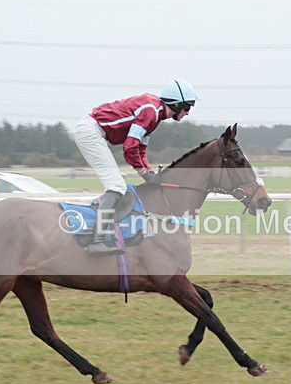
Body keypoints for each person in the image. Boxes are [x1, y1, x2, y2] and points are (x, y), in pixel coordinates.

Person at [71, 79, 199, 254]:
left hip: (94, 131)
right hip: (90, 132)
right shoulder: (151, 111)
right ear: (176, 104)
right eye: (187, 107)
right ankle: (97, 240)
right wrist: (144, 173)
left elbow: (140, 149)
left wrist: (150, 172)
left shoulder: (156, 115)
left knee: (117, 187)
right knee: (116, 187)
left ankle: (104, 234)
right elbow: (129, 148)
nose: (188, 113)